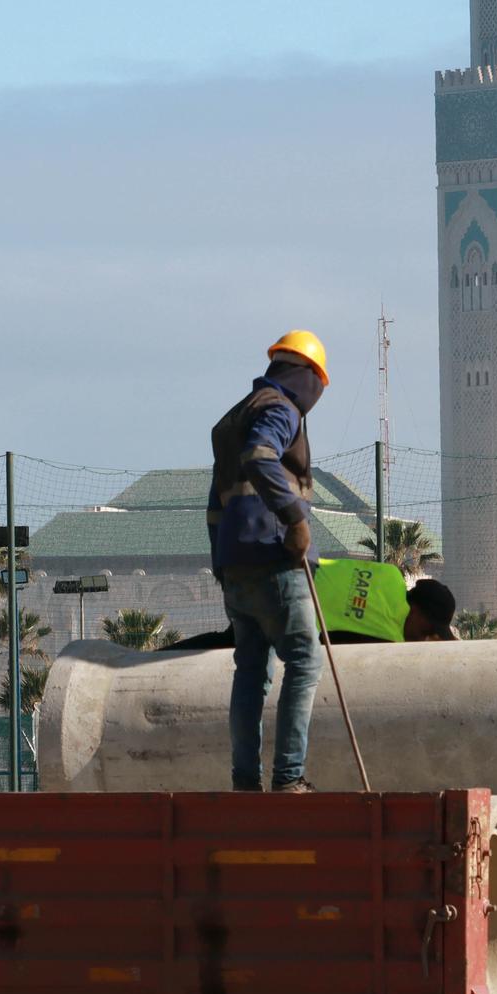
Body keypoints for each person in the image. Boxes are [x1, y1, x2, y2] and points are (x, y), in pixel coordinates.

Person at [208, 330, 331, 792]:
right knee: (303, 662)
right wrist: (295, 519)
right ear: (309, 376)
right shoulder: (281, 408)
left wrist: (222, 561)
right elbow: (261, 456)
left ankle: (245, 782)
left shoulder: (234, 416)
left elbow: (216, 504)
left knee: (252, 672)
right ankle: (288, 777)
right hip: (276, 560)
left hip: (236, 566)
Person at [314, 560, 458, 643]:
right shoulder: (390, 636)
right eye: (426, 631)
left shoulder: (391, 572)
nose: (423, 639)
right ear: (415, 610)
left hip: (301, 565)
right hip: (299, 610)